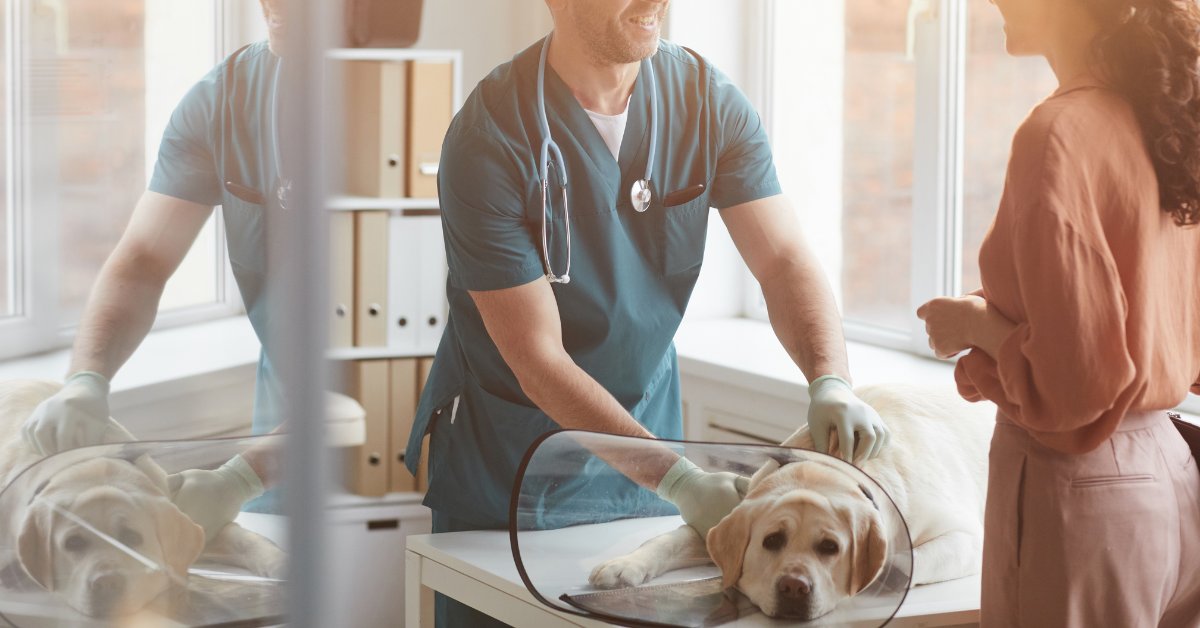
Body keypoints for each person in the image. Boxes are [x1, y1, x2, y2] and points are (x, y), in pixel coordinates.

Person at [404, 1, 891, 625]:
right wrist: (682, 481)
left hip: (648, 446)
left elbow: (783, 260)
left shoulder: (707, 102)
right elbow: (538, 358)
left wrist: (829, 378)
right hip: (514, 471)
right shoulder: (491, 136)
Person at [917, 0, 1200, 625]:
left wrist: (971, 326)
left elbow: (1074, 387)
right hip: (1173, 481)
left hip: (1081, 492)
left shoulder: (1058, 132)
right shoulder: (1168, 121)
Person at [20, 0, 292, 526]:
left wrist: (244, 475)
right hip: (283, 445)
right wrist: (87, 379)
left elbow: (405, 352)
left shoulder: (408, 113)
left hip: (401, 445)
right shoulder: (225, 99)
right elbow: (145, 259)